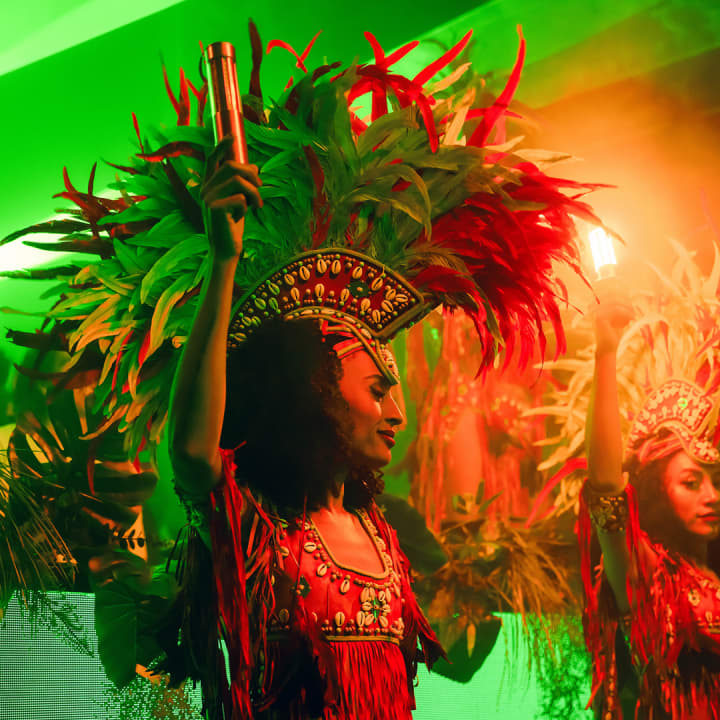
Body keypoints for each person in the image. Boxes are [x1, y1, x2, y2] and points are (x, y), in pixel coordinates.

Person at [581, 291, 720, 719]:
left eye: (716, 481)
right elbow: (605, 486)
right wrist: (606, 353)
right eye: (691, 482)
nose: (712, 495)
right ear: (658, 493)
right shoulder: (646, 573)